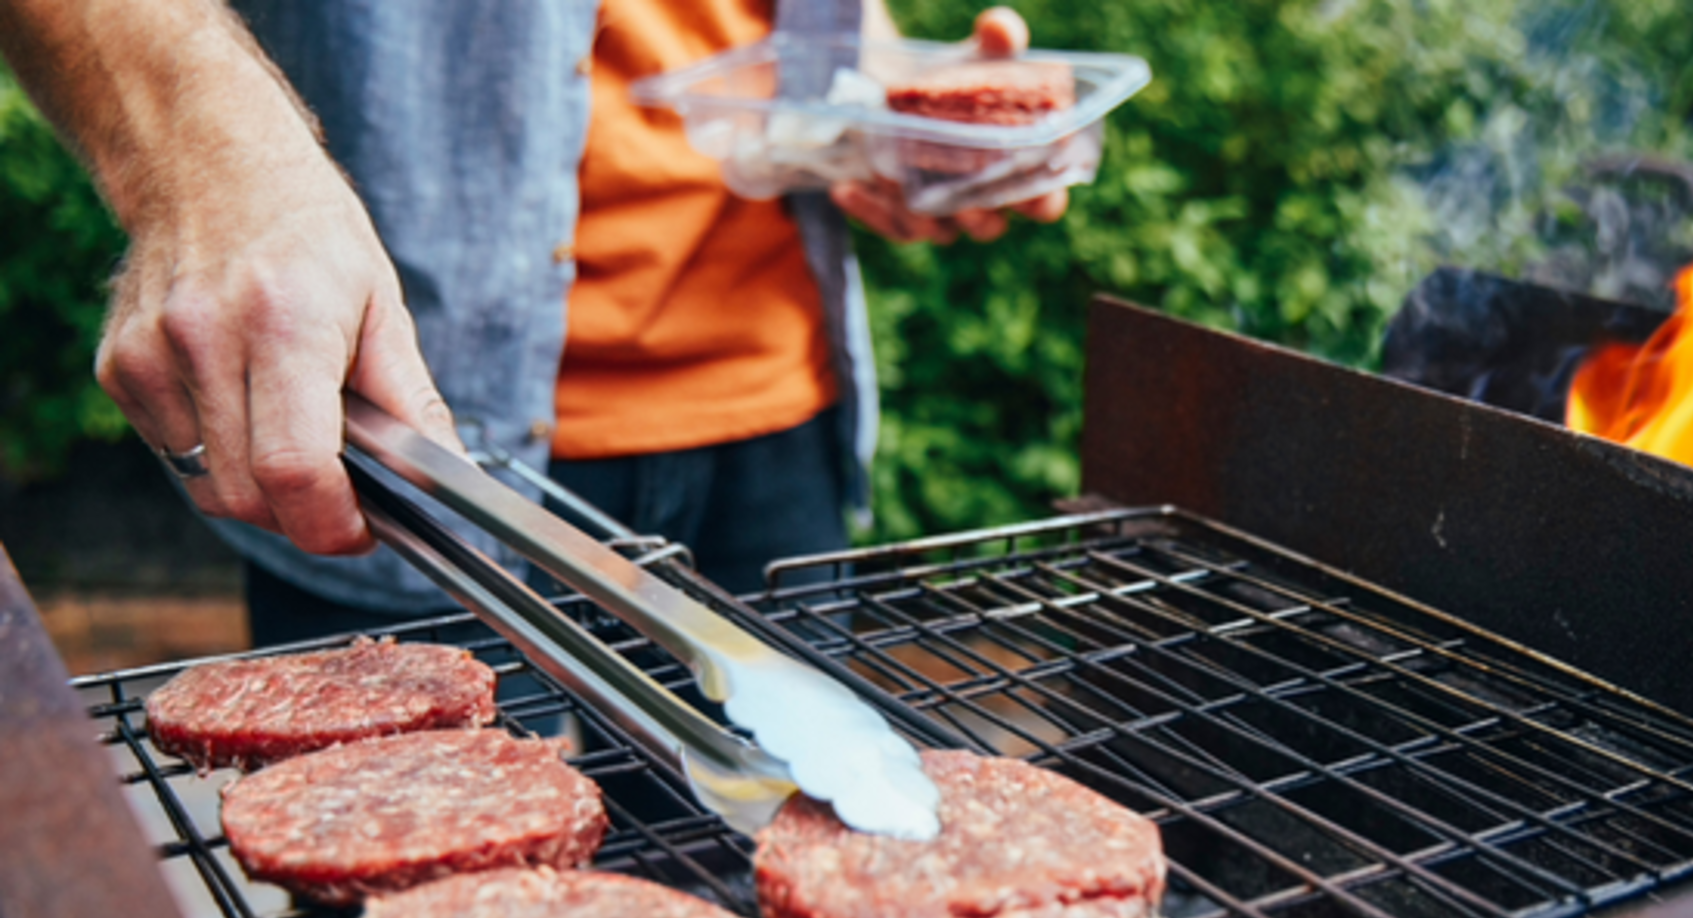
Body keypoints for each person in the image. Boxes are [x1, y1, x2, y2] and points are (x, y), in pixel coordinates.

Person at [0, 0, 1064, 643]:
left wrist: (882, 112)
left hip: (775, 419)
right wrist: (206, 162)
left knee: (793, 916)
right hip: (405, 441)